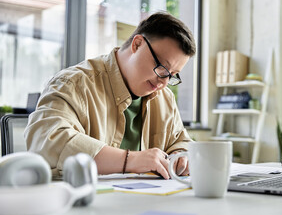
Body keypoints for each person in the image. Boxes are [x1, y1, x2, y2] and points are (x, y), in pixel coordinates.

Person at [24, 12, 196, 180]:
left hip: (146, 203)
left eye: (172, 75)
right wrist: (131, 160)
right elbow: (48, 141)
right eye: (162, 67)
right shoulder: (73, 84)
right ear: (137, 45)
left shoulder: (164, 97)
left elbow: (180, 141)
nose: (164, 82)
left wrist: (181, 156)